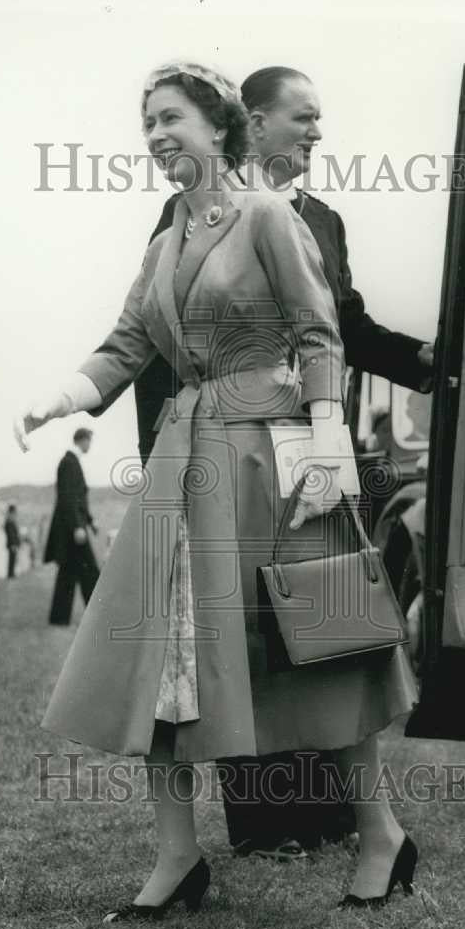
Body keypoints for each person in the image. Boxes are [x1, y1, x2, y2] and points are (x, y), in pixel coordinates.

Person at [14, 62, 418, 921]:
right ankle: (176, 856)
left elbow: (318, 336)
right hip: (183, 465)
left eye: (169, 119)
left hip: (278, 453)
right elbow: (126, 346)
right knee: (160, 659)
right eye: (147, 125)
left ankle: (380, 835)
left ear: (218, 123)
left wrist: (325, 457)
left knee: (328, 638)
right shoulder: (164, 241)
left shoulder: (269, 215)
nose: (156, 136)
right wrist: (57, 400)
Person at [139, 65, 434, 860]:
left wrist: (426, 361)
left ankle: (345, 820)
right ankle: (269, 820)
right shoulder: (185, 216)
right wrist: (159, 467)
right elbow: (158, 351)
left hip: (313, 440)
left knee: (323, 620)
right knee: (238, 633)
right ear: (254, 122)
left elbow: (344, 329)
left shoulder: (324, 219)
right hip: (224, 450)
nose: (315, 133)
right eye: (302, 118)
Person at [43, 427, 100, 625]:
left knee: (69, 571)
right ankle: (98, 615)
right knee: (90, 570)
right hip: (72, 529)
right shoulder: (69, 462)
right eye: (89, 441)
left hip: (72, 526)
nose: (90, 446)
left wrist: (90, 523)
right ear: (82, 440)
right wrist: (78, 526)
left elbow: (77, 500)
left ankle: (59, 618)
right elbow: (68, 497)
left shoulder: (71, 462)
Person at [3, 504, 21, 579]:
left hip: (13, 543)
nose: (15, 514)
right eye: (14, 512)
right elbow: (11, 534)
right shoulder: (9, 521)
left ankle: (11, 573)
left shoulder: (10, 520)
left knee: (13, 559)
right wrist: (13, 544)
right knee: (12, 559)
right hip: (12, 544)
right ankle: (10, 574)